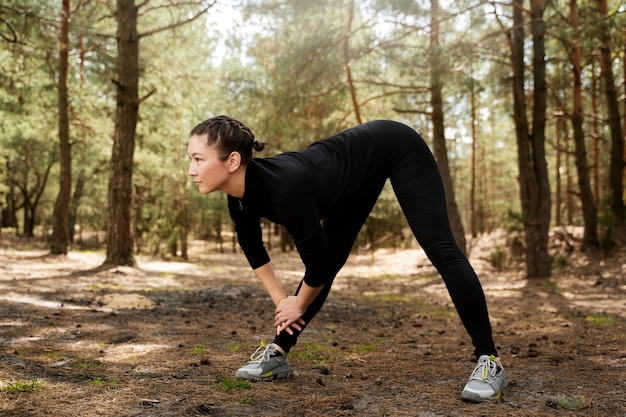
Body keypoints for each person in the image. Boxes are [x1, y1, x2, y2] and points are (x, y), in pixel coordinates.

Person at [187, 115, 508, 403]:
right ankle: (278, 353)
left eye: (198, 159)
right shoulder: (239, 199)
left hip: (395, 146)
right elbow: (255, 252)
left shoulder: (286, 192)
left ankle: (489, 360)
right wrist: (284, 300)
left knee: (441, 249)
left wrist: (298, 303)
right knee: (321, 271)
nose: (191, 170)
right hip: (347, 190)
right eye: (191, 160)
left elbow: (317, 268)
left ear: (231, 161)